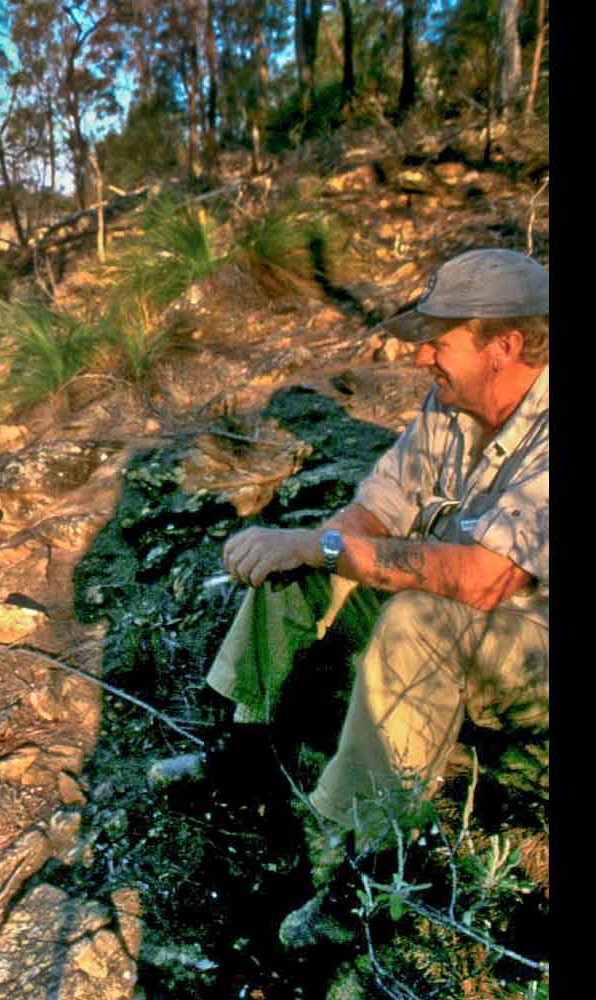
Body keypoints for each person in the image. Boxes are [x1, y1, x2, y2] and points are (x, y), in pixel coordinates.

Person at [209, 248, 549, 947]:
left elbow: (487, 579)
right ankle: (245, 759)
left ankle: (369, 871)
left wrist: (327, 550)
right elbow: (378, 510)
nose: (421, 355)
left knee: (415, 616)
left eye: (441, 340)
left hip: (533, 651)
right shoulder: (451, 406)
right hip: (466, 618)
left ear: (505, 347)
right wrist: (314, 550)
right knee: (304, 564)